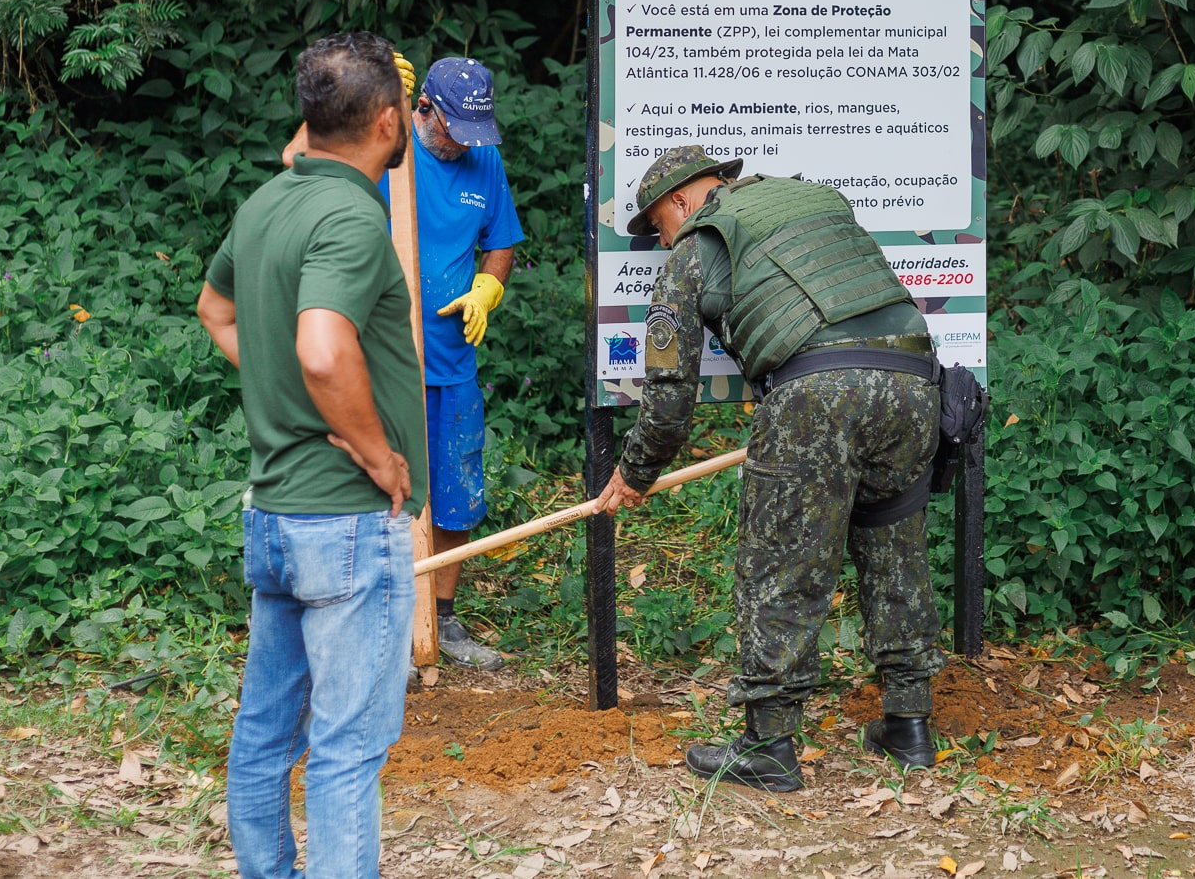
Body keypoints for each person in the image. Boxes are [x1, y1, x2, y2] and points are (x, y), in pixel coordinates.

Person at [594, 145, 943, 793]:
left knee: (780, 564)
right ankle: (909, 725)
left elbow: (669, 400)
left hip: (815, 390)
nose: (660, 240)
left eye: (657, 227)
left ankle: (769, 745)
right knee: (895, 545)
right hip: (917, 379)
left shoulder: (693, 252)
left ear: (680, 201)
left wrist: (635, 471)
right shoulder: (810, 199)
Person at [197, 31, 424, 879]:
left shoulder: (265, 204)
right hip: (344, 519)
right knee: (344, 749)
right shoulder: (351, 215)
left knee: (264, 735)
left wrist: (286, 388)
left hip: (273, 515)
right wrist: (377, 453)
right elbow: (325, 349)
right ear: (389, 121)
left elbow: (214, 309)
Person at [282, 55, 523, 669]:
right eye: (452, 130)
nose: (462, 144)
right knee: (372, 487)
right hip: (380, 363)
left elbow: (501, 243)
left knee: (456, 491)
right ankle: (372, 622)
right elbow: (296, 161)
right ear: (420, 110)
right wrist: (358, 98)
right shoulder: (380, 148)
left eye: (474, 133)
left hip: (453, 363)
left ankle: (442, 622)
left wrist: (488, 287)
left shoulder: (483, 160)